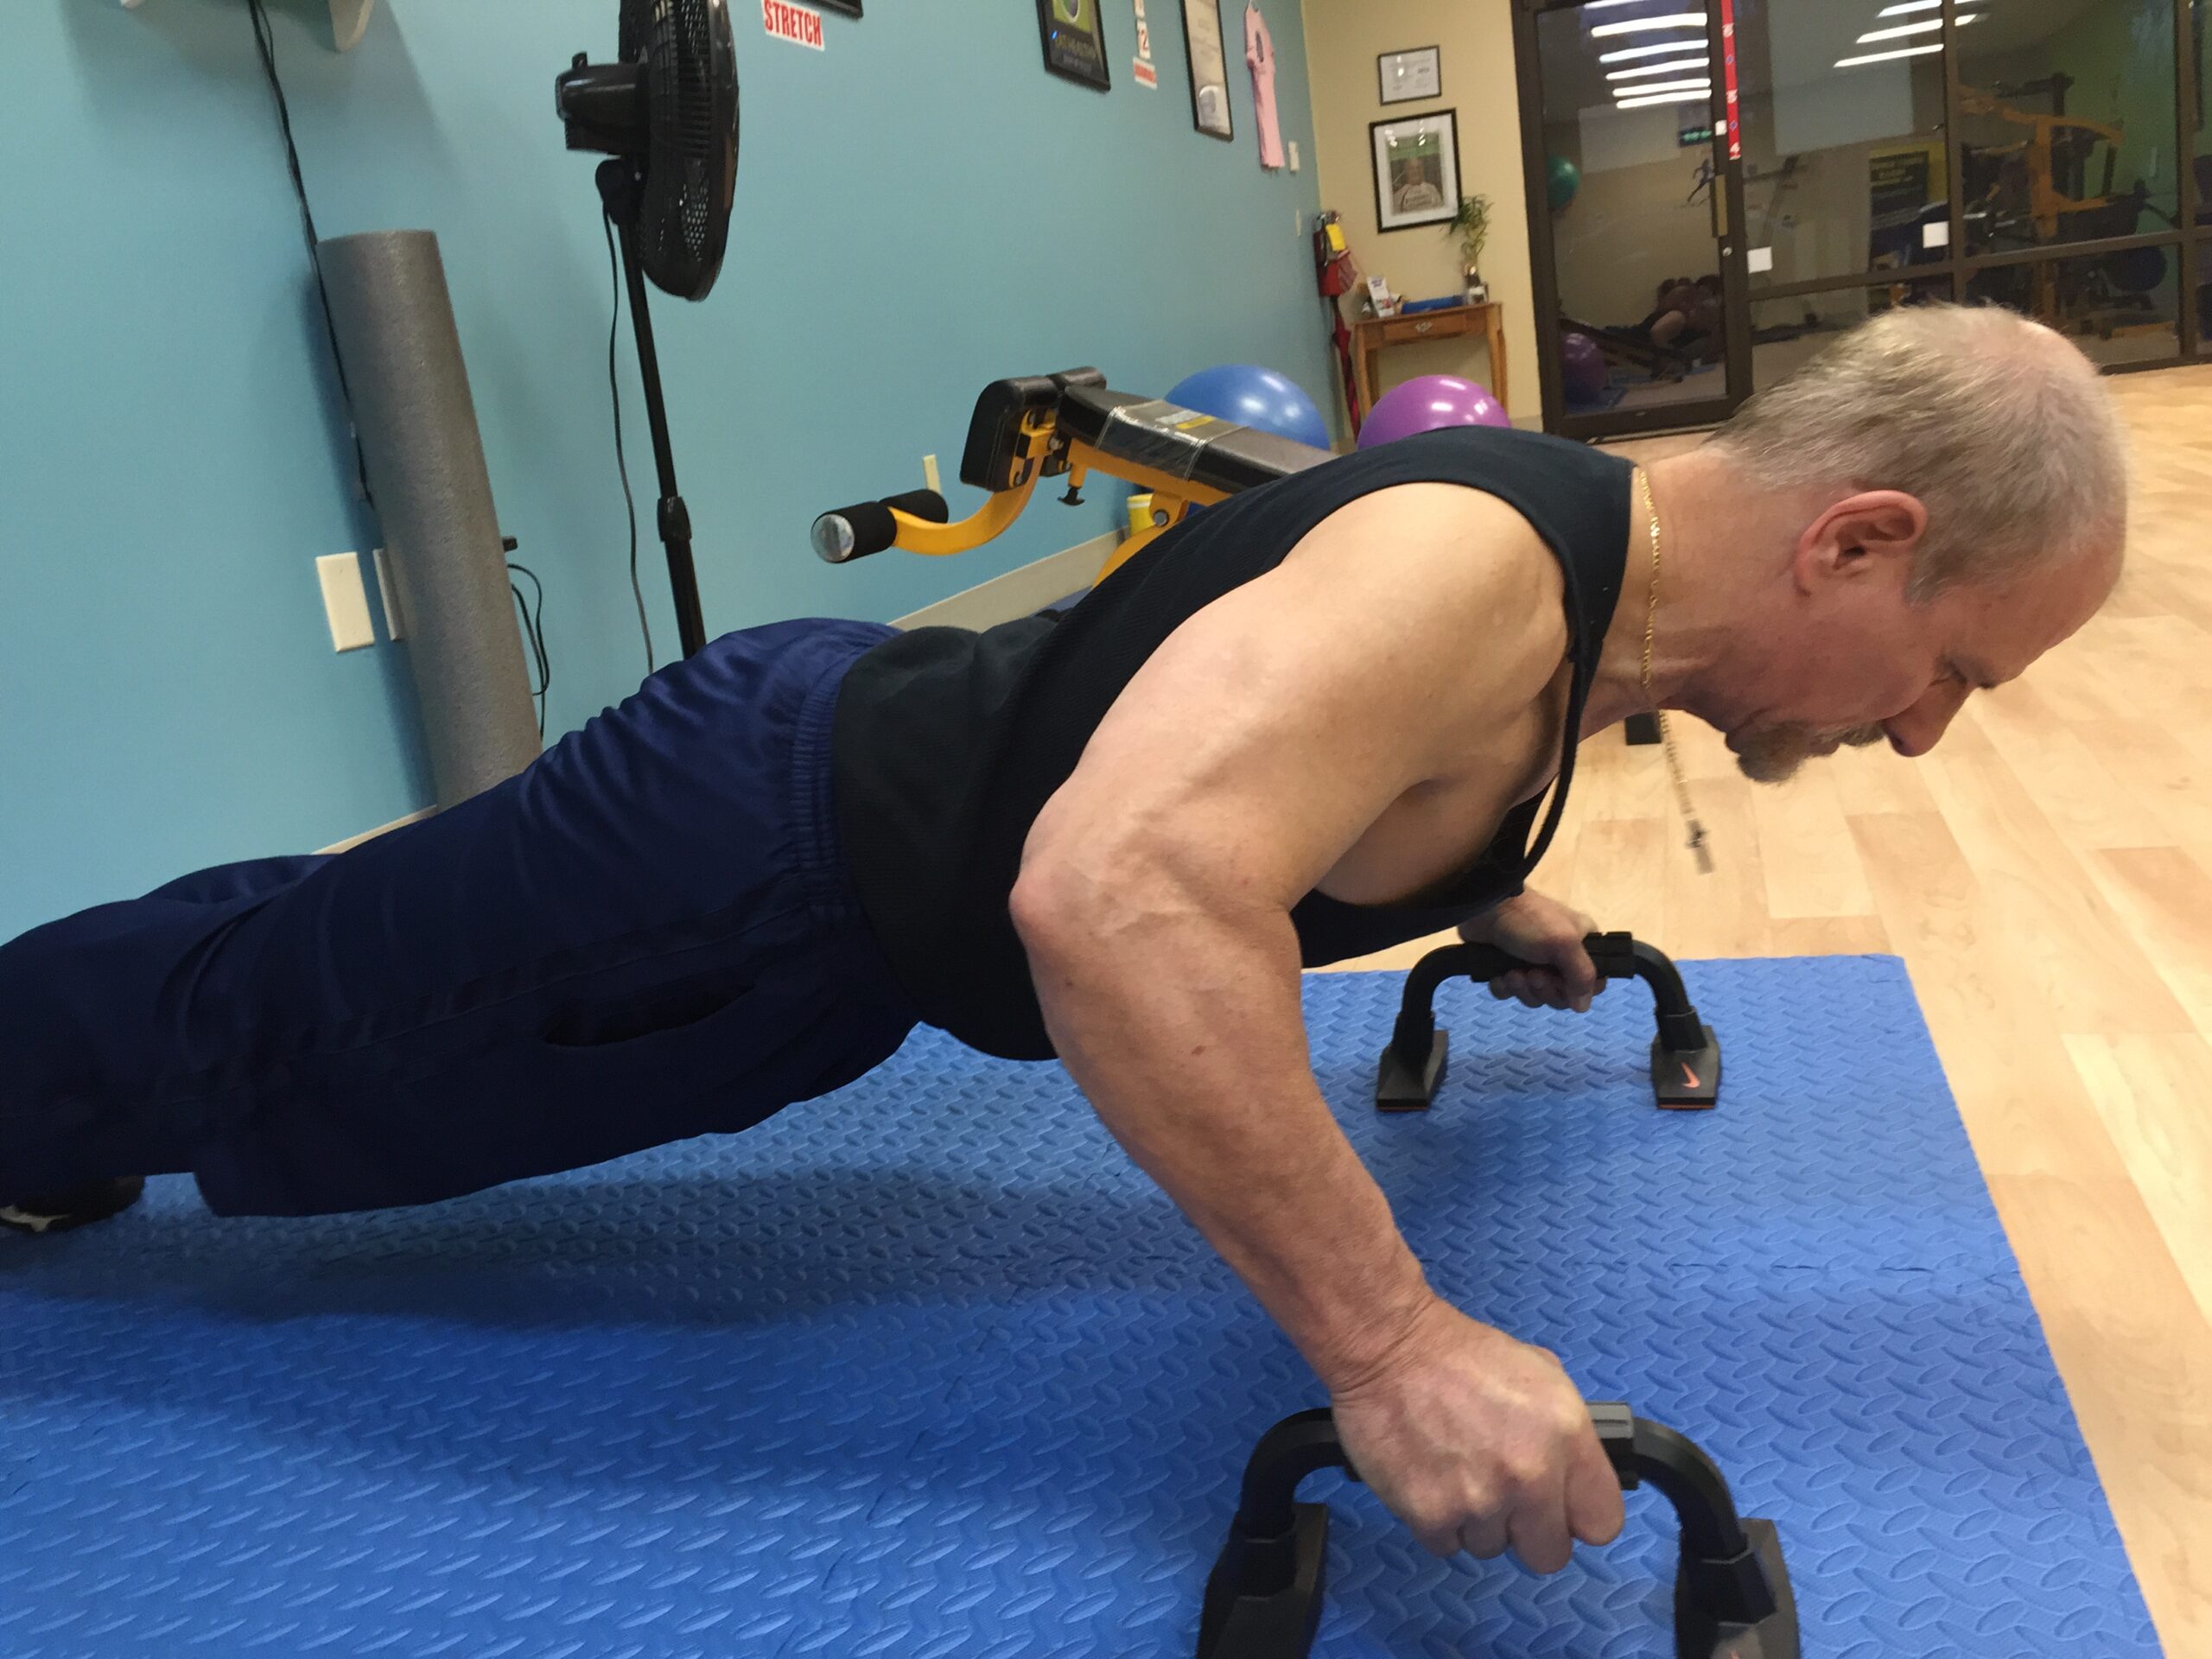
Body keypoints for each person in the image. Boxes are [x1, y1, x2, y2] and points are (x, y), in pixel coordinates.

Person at [1, 304, 2127, 1576]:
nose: (1927, 732)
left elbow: (1391, 721)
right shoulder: (1478, 571)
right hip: (750, 866)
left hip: (817, 868)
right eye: (1957, 670)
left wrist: (1484, 877)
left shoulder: (1602, 570)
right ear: (1856, 541)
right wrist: (1390, 1353)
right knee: (264, 1031)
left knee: (309, 968)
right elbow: (1111, 895)